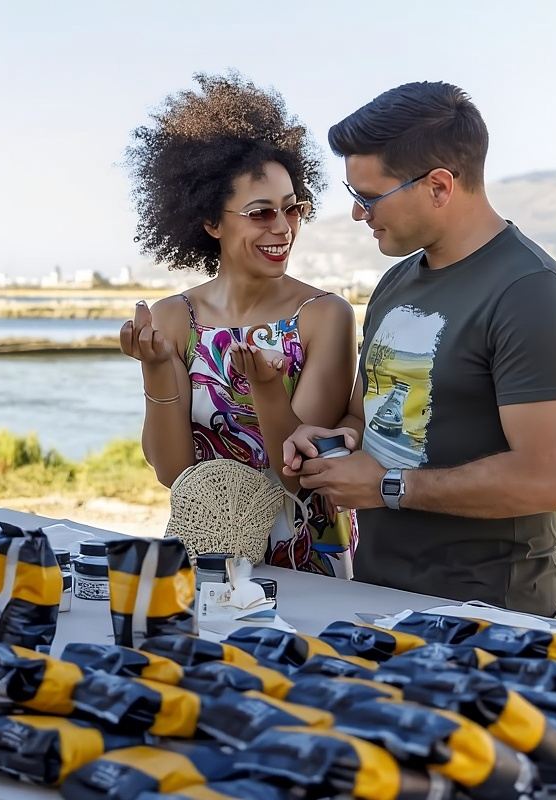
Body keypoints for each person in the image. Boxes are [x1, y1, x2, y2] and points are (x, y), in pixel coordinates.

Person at [282, 81, 556, 617]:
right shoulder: (396, 282)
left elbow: (546, 479)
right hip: (377, 596)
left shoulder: (532, 295)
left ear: (440, 187)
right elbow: (365, 411)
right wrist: (337, 439)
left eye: (369, 197)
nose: (358, 214)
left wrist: (387, 487)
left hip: (490, 617)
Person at [119, 73, 358, 577]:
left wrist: (266, 389)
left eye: (294, 208)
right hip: (209, 548)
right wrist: (157, 371)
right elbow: (173, 473)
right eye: (261, 213)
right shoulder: (174, 319)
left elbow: (295, 480)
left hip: (308, 555)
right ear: (211, 221)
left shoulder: (324, 316)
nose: (283, 228)